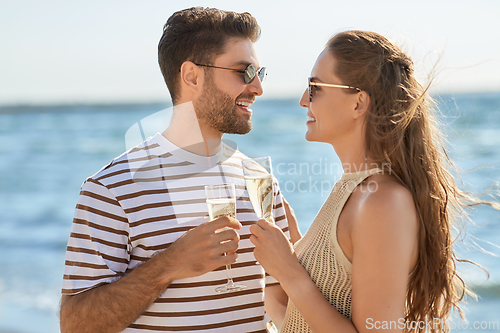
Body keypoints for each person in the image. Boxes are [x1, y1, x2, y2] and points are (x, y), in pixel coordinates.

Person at [59, 7, 297, 332]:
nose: (257, 88)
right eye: (244, 72)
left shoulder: (260, 180)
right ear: (192, 76)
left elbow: (279, 301)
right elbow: (76, 325)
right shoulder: (111, 189)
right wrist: (169, 265)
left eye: (260, 72)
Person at [250, 30, 498, 333]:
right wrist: (273, 266)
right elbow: (299, 319)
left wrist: (290, 272)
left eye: (315, 87)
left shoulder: (383, 202)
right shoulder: (352, 190)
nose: (303, 100)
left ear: (358, 103)